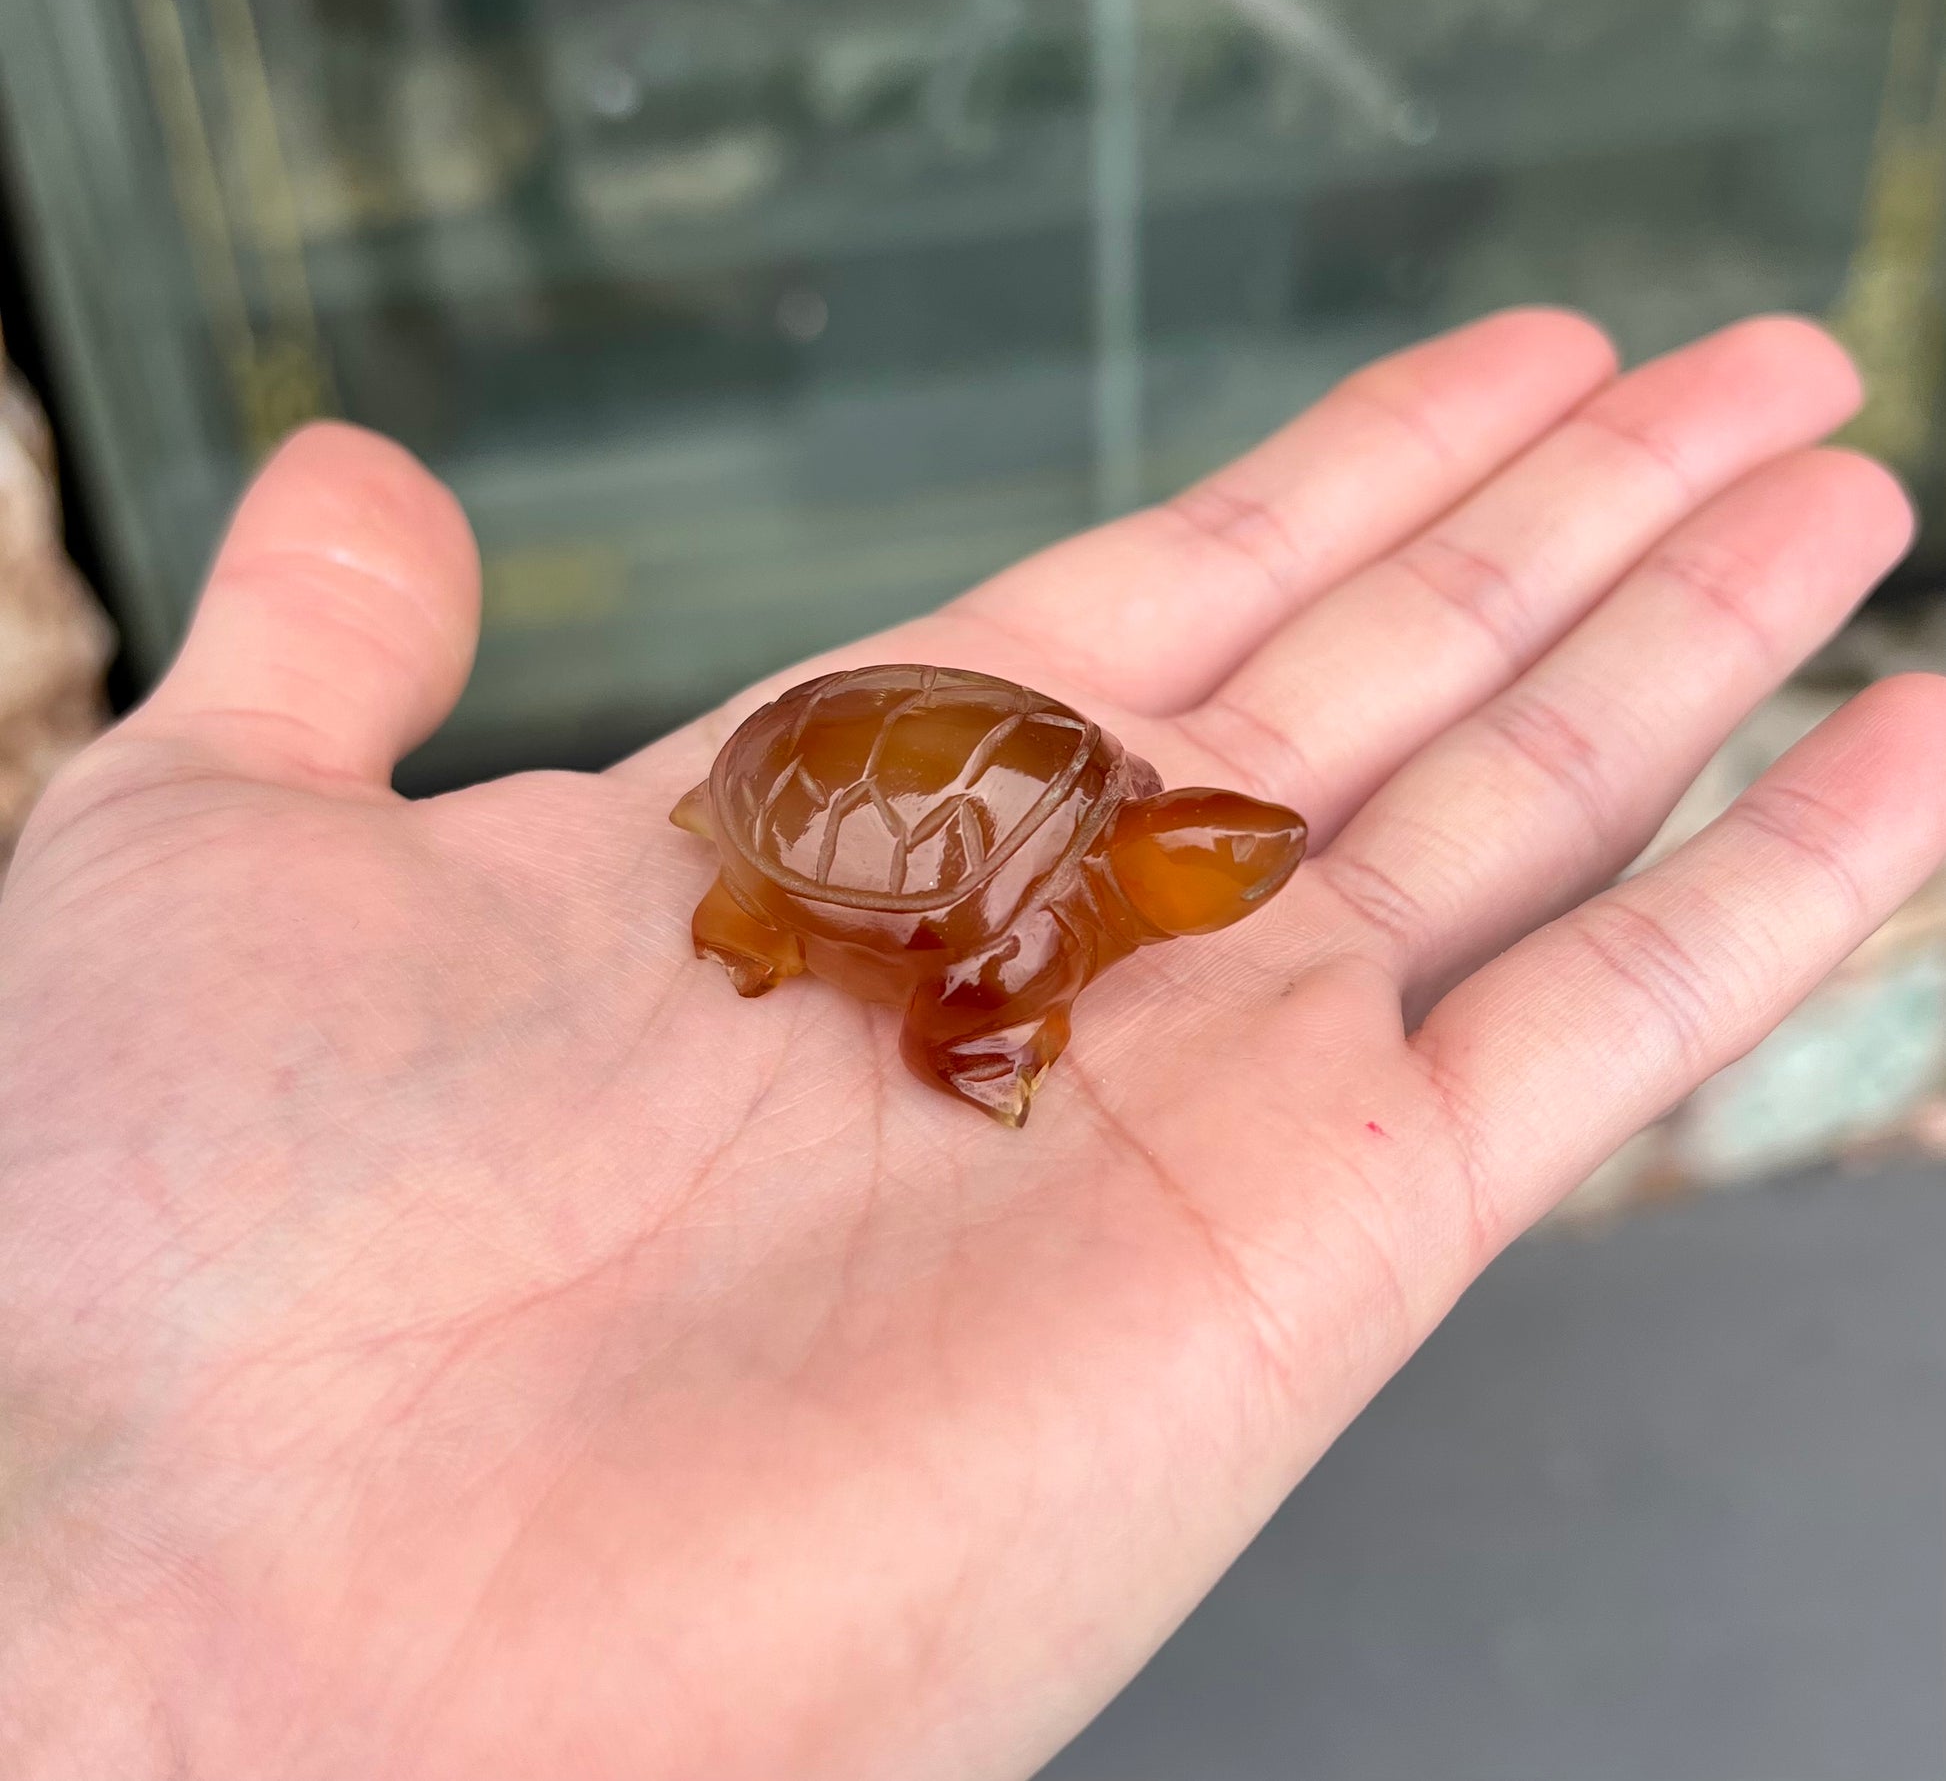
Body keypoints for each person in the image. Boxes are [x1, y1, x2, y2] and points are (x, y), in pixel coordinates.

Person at [1, 310, 1941, 1780]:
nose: (1252, 864)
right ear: (1162, 866)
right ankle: (747, 908)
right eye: (1232, 856)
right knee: (783, 912)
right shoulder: (1034, 918)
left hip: (917, 761)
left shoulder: (1098, 865)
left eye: (1239, 860)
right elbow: (960, 998)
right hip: (796, 817)